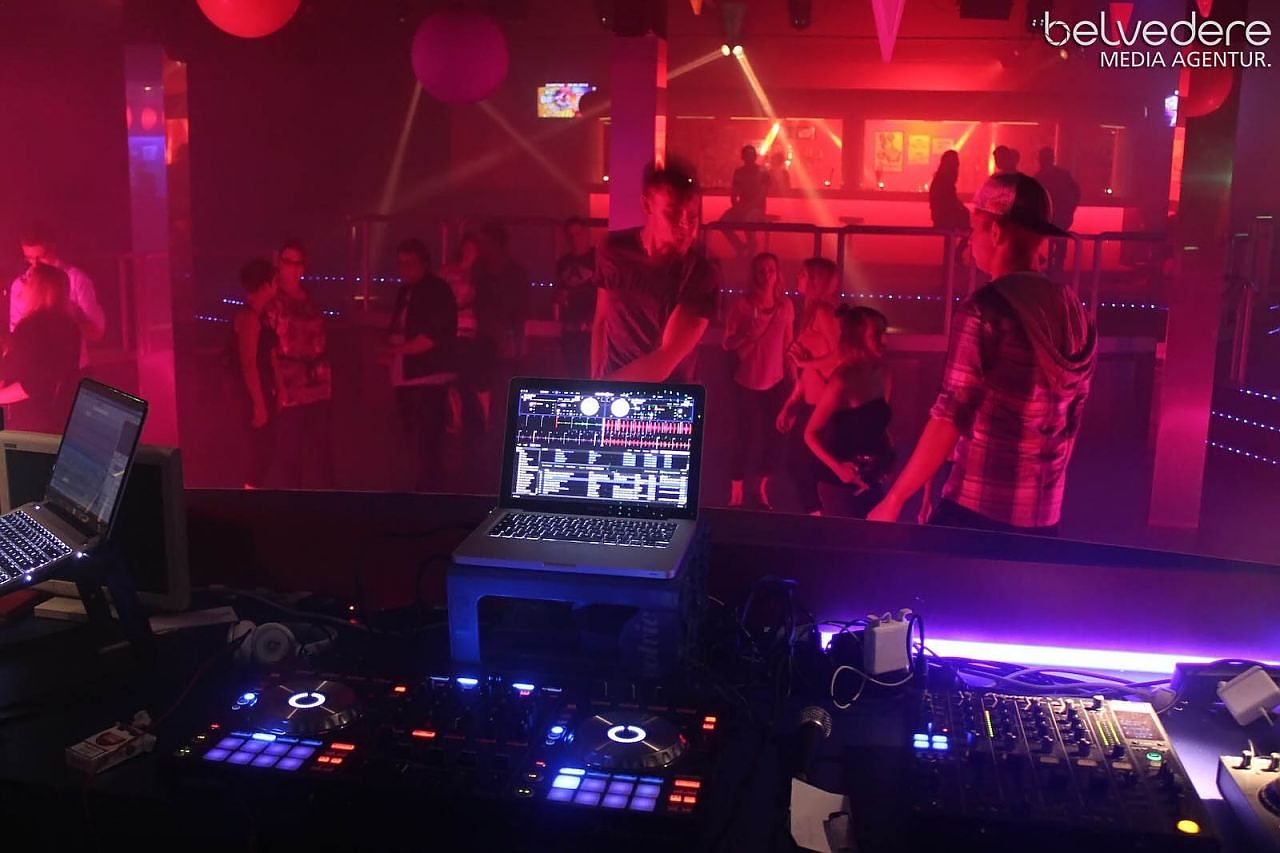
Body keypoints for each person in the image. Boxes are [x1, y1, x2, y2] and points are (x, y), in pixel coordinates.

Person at [868, 173, 1097, 535]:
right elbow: (1073, 420)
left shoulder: (984, 311)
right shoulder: (1075, 312)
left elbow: (950, 415)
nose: (970, 240)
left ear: (996, 232)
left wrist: (895, 499)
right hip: (1043, 517)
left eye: (974, 229)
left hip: (979, 509)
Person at [591, 161, 720, 382]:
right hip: (611, 388)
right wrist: (595, 379)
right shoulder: (612, 249)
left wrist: (601, 391)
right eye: (673, 214)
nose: (685, 227)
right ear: (646, 205)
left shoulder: (700, 272)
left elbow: (665, 359)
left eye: (692, 217)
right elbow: (602, 319)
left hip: (666, 396)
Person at [804, 306, 894, 518]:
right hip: (840, 486)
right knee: (846, 538)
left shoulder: (884, 375)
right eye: (876, 335)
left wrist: (889, 458)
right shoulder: (842, 380)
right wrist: (838, 469)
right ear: (857, 339)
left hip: (873, 479)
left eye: (884, 332)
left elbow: (879, 427)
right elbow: (810, 434)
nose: (885, 340)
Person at [722, 252, 794, 509]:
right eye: (761, 271)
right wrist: (749, 335)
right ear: (754, 275)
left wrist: (794, 383)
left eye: (770, 270)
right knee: (745, 436)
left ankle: (761, 489)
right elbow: (727, 343)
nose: (766, 275)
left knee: (774, 437)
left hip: (775, 380)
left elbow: (788, 346)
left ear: (777, 274)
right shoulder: (742, 305)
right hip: (746, 379)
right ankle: (736, 492)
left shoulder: (785, 306)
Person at [386, 238, 458, 492]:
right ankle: (421, 484)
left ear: (425, 263)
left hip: (428, 375)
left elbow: (431, 337)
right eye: (401, 263)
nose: (404, 269)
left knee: (427, 439)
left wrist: (394, 349)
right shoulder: (407, 291)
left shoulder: (436, 291)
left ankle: (428, 487)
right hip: (407, 373)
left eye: (410, 263)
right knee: (415, 436)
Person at [263, 239, 334, 489]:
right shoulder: (274, 301)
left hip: (318, 384)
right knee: (291, 452)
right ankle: (294, 499)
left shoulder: (311, 299)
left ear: (304, 266)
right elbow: (269, 347)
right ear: (280, 264)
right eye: (287, 261)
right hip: (290, 387)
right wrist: (278, 386)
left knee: (321, 448)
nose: (292, 267)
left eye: (297, 262)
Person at [775, 257, 843, 515]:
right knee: (798, 464)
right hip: (810, 402)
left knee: (807, 464)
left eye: (803, 274)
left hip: (825, 406)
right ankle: (817, 516)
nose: (798, 277)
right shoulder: (809, 314)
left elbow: (841, 356)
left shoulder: (824, 313)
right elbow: (806, 372)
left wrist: (807, 361)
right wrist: (791, 403)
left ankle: (821, 518)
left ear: (816, 281)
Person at [11, 222, 105, 367]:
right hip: (35, 372)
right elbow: (17, 335)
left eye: (42, 257)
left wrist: (60, 323)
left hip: (73, 370)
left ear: (53, 248)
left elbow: (96, 332)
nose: (36, 264)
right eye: (29, 258)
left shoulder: (76, 280)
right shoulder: (19, 285)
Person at [0, 263, 81, 433]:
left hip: (30, 423)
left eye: (27, 279)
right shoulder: (69, 326)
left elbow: (33, 383)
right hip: (59, 418)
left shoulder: (32, 327)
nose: (22, 284)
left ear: (40, 288)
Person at [232, 258, 278, 489]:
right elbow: (248, 364)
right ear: (265, 285)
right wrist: (259, 404)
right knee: (260, 452)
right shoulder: (249, 318)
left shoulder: (260, 315)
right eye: (274, 281)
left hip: (262, 392)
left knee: (265, 450)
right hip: (252, 396)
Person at [473, 221, 530, 401]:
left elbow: (520, 311)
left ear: (496, 243)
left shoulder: (516, 274)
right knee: (484, 389)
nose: (479, 247)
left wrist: (506, 335)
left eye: (483, 242)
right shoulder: (479, 271)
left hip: (506, 344)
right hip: (486, 340)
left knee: (504, 391)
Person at [439, 234, 483, 432]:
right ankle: (456, 418)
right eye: (466, 247)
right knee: (450, 376)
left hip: (469, 330)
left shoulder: (479, 275)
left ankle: (471, 418)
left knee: (467, 377)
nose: (468, 252)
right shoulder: (447, 271)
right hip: (448, 329)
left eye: (472, 248)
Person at [556, 217, 597, 377]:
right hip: (570, 331)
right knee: (573, 374)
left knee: (592, 374)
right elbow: (559, 291)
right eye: (570, 235)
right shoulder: (563, 263)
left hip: (592, 331)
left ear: (586, 233)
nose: (575, 239)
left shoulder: (598, 259)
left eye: (578, 234)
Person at [1034, 147, 1081, 277]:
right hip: (1060, 215)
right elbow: (1075, 192)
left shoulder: (1039, 177)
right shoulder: (1062, 175)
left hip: (1050, 216)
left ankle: (1044, 263)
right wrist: (1070, 210)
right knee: (1060, 241)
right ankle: (1056, 268)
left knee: (1033, 237)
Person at [721, 145, 770, 256]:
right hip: (742, 206)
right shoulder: (739, 172)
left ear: (755, 156)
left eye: (751, 155)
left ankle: (751, 246)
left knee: (748, 218)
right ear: (743, 157)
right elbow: (734, 193)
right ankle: (740, 246)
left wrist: (745, 208)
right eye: (747, 155)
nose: (749, 157)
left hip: (758, 209)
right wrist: (737, 207)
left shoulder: (763, 172)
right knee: (722, 222)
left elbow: (762, 195)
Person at [929, 150, 970, 230]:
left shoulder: (940, 179)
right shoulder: (944, 181)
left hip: (941, 218)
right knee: (966, 215)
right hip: (945, 220)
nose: (958, 167)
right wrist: (962, 208)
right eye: (956, 164)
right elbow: (950, 202)